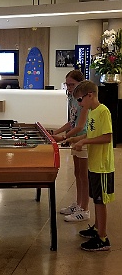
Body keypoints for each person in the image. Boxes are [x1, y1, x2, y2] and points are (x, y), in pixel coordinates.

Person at [70, 80, 114, 251]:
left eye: (80, 100)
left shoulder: (103, 111)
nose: (80, 105)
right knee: (96, 198)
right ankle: (97, 228)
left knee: (100, 201)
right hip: (94, 164)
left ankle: (103, 238)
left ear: (90, 95)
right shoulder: (92, 111)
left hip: (103, 165)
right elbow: (93, 133)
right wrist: (78, 138)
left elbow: (107, 137)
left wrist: (85, 141)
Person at [53, 70, 89, 222]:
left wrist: (64, 137)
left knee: (84, 176)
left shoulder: (84, 100)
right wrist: (57, 132)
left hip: (83, 138)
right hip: (75, 138)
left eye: (72, 84)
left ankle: (84, 209)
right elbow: (71, 122)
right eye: (67, 84)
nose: (68, 87)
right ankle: (79, 204)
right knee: (77, 174)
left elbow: (81, 126)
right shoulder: (71, 98)